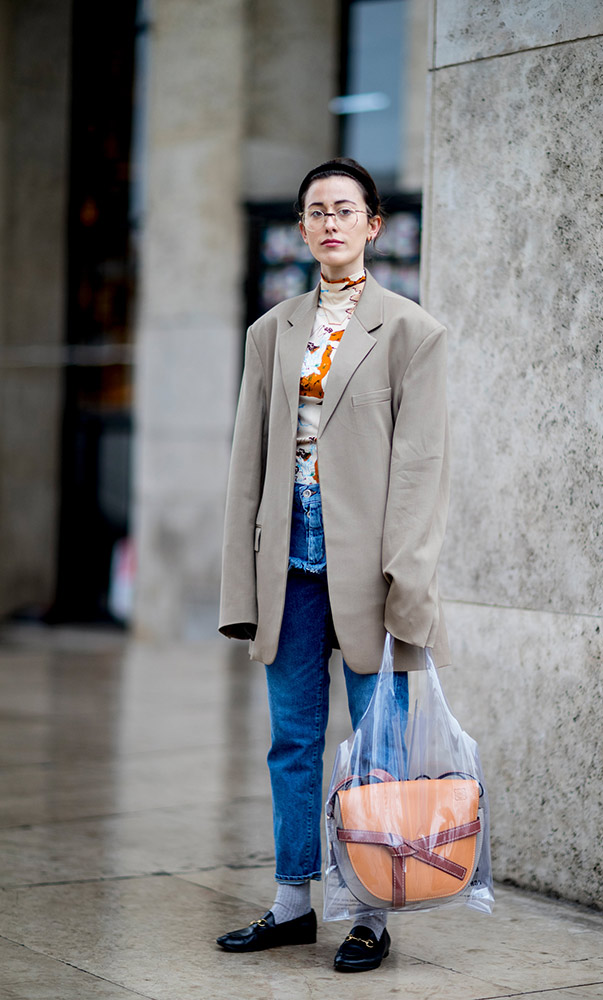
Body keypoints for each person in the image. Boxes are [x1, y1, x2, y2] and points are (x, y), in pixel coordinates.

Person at [215, 158, 450, 973]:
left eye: (344, 209)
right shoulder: (269, 331)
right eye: (315, 211)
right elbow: (248, 462)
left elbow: (421, 468)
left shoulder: (411, 331)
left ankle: (366, 913)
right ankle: (289, 903)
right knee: (292, 742)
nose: (329, 223)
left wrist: (406, 581)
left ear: (373, 224)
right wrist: (239, 580)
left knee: (374, 752)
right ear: (303, 227)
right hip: (287, 568)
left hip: (369, 575)